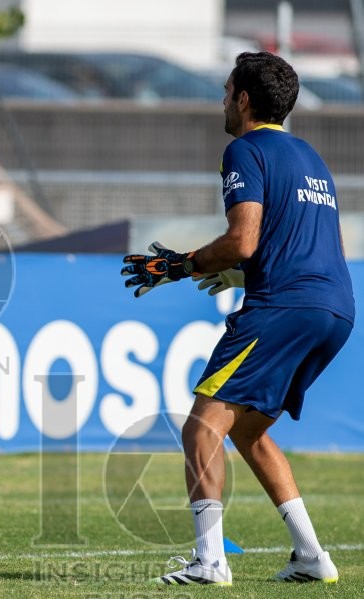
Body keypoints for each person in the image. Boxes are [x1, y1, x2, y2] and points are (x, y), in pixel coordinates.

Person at [122, 51, 353, 586]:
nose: (223, 100)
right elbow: (314, 247)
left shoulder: (244, 150)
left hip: (284, 306)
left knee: (202, 427)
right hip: (335, 307)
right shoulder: (310, 157)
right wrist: (243, 273)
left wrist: (176, 266)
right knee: (249, 431)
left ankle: (210, 562)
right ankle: (312, 556)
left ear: (244, 99)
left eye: (227, 91)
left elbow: (242, 239)